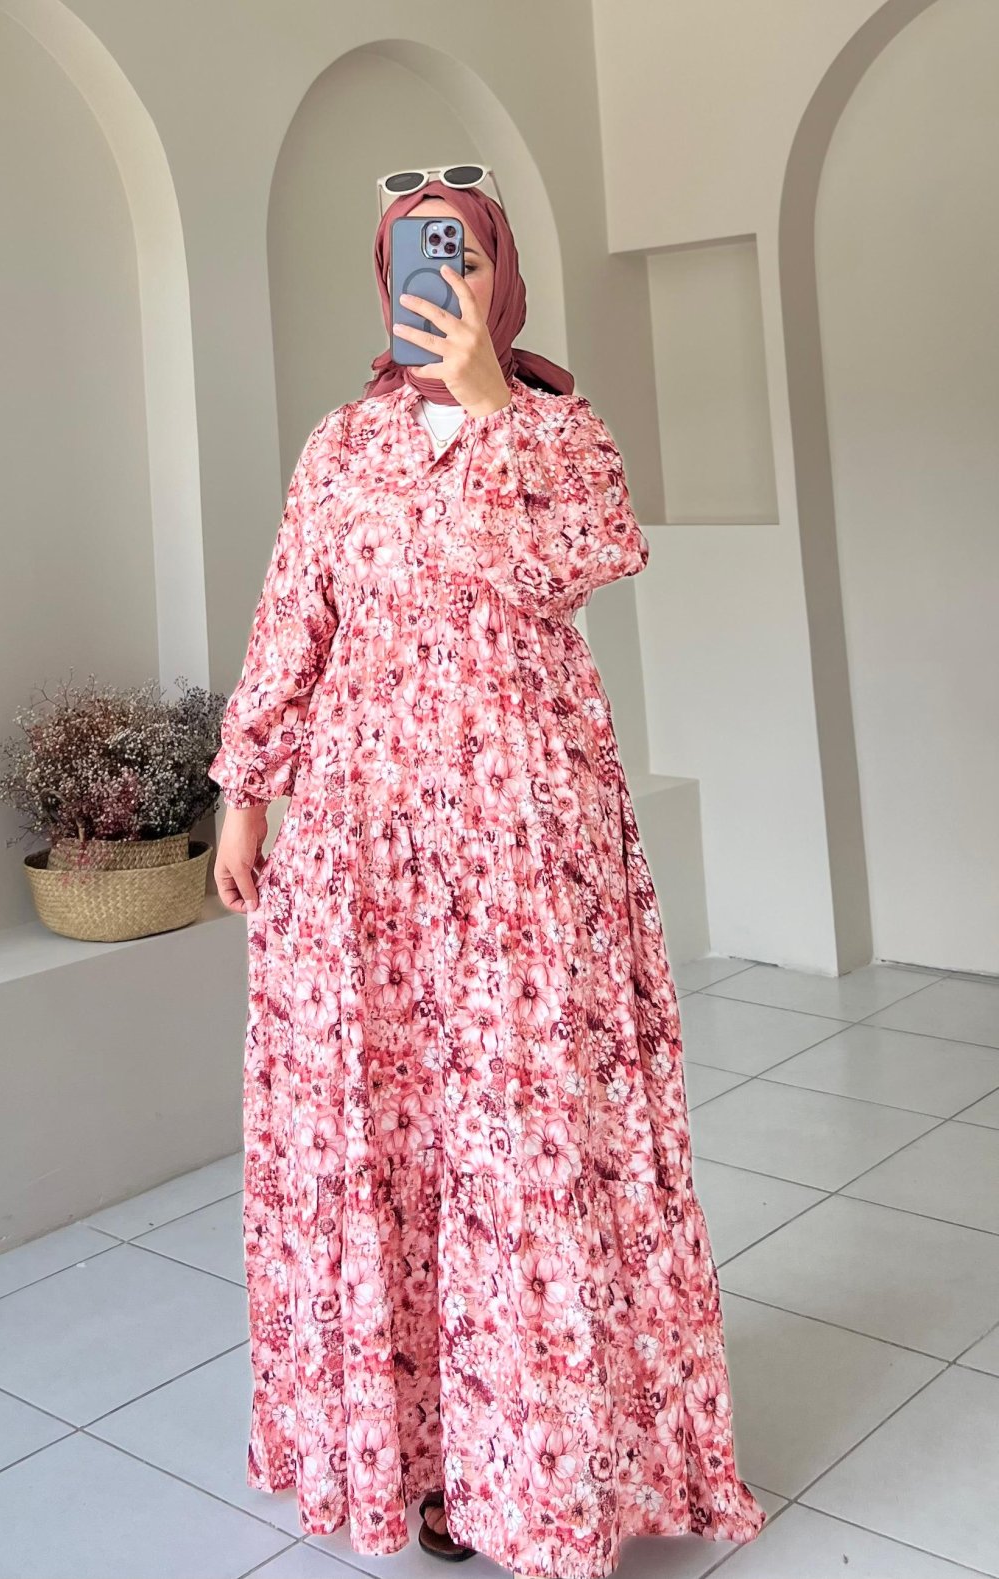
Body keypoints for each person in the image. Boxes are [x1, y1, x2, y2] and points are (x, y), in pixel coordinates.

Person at [209, 172, 766, 1579]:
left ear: (500, 272)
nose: (439, 276)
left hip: (522, 840)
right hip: (362, 846)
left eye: (461, 252)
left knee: (522, 1137)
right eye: (413, 254)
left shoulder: (562, 432)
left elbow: (586, 559)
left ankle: (540, 1468)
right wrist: (244, 794)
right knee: (389, 1135)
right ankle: (421, 1457)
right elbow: (294, 617)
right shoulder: (343, 442)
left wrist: (491, 405)